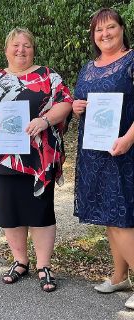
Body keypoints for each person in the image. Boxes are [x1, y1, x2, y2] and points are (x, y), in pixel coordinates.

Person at [0, 27, 72, 291]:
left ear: (33, 49)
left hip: (38, 159)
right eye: (15, 45)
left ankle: (44, 265)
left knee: (40, 212)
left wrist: (45, 119)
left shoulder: (48, 76)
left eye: (26, 45)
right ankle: (20, 261)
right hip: (3, 157)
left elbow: (66, 102)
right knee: (9, 210)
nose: (21, 50)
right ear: (6, 50)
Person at [73, 8, 134, 309]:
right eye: (99, 30)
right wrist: (77, 106)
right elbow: (78, 100)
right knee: (109, 216)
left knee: (122, 217)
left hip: (124, 150)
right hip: (94, 152)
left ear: (122, 29)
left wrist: (128, 139)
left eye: (110, 27)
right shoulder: (88, 67)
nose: (105, 34)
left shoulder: (132, 61)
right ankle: (120, 275)